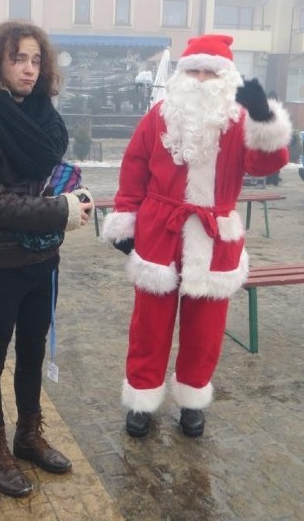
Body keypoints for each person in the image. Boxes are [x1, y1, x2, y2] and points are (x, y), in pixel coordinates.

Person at [100, 34, 291, 439]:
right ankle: (143, 397)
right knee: (149, 325)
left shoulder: (240, 121)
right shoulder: (157, 117)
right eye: (194, 70)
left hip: (214, 234)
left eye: (211, 72)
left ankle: (191, 400)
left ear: (226, 79)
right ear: (181, 74)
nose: (202, 79)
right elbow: (134, 167)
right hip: (160, 230)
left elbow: (266, 164)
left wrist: (264, 118)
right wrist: (125, 219)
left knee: (205, 329)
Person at [0, 21, 93, 498]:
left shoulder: (46, 121)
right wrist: (61, 209)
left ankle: (28, 435)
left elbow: (44, 184)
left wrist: (71, 195)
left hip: (44, 257)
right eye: (18, 59)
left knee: (32, 351)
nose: (29, 70)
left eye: (35, 60)